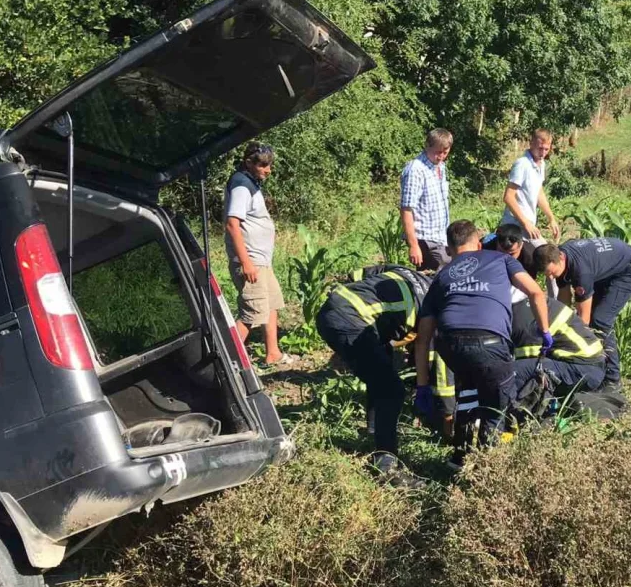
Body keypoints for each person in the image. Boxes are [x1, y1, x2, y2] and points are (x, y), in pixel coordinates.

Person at [414, 220, 552, 469]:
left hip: (451, 346)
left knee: (469, 390)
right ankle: (489, 468)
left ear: (448, 248)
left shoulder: (441, 276)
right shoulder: (500, 259)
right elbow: (536, 293)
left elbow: (423, 339)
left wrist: (422, 386)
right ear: (478, 243)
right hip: (490, 341)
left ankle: (460, 458)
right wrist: (545, 331)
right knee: (497, 404)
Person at [316, 266, 453, 487]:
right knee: (392, 390)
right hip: (351, 320)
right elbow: (427, 350)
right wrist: (433, 397)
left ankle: (374, 431)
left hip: (335, 308)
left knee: (382, 367)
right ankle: (385, 463)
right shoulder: (434, 304)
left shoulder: (407, 273)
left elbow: (358, 273)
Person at [534, 238, 631, 392]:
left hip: (628, 271)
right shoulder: (558, 257)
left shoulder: (581, 272)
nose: (551, 278)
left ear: (561, 259)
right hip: (607, 270)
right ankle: (600, 365)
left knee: (600, 321)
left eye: (552, 273)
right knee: (591, 318)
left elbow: (584, 320)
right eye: (548, 275)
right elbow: (564, 300)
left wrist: (572, 344)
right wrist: (558, 325)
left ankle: (612, 379)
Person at [224, 142, 292, 366]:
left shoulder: (251, 184)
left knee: (270, 304)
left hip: (261, 261)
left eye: (269, 165)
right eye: (263, 165)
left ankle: (273, 353)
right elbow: (232, 224)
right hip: (251, 261)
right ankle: (226, 363)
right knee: (251, 314)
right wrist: (246, 262)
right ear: (248, 163)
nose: (268, 169)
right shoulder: (241, 185)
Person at [510, 297, 605, 398]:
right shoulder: (532, 303)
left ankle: (510, 410)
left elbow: (530, 361)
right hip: (587, 364)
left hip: (582, 368)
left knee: (511, 373)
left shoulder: (523, 319)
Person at [400, 129, 454, 271]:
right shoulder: (415, 170)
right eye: (438, 152)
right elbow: (406, 210)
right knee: (441, 277)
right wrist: (413, 245)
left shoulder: (440, 166)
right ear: (427, 146)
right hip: (425, 238)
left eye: (445, 152)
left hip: (441, 236)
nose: (441, 156)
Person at [501, 129, 560, 243]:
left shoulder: (541, 164)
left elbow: (539, 192)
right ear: (531, 143)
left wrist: (551, 218)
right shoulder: (522, 164)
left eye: (546, 149)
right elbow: (508, 197)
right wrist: (526, 223)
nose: (543, 153)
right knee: (544, 255)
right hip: (514, 226)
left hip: (528, 226)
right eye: (540, 148)